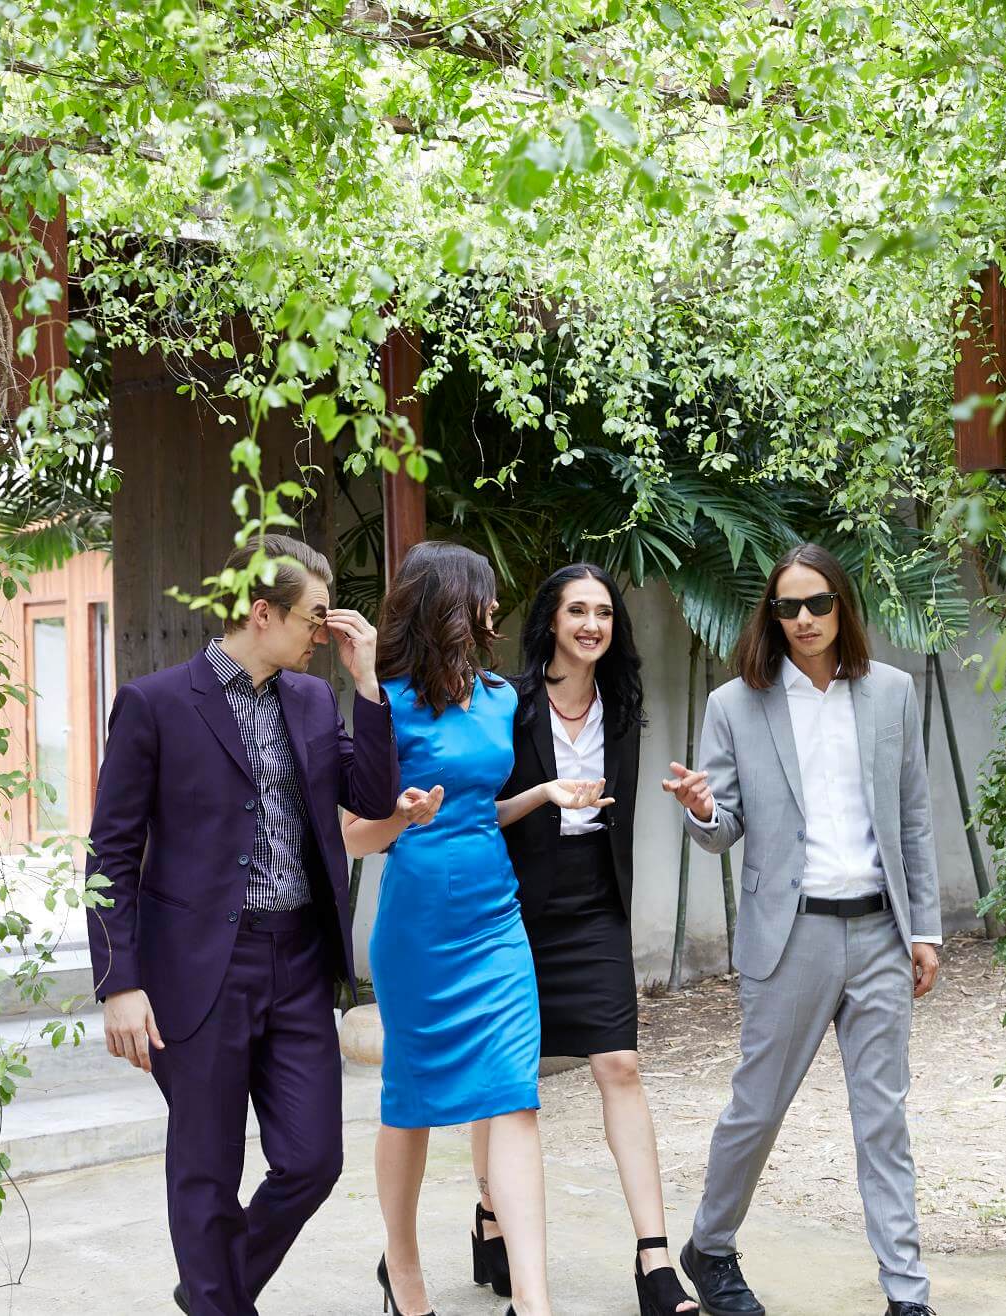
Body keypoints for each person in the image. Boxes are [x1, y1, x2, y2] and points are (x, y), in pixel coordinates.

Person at [86, 534, 399, 1316]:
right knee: (205, 1168)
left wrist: (368, 684)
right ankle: (221, 1301)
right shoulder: (155, 703)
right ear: (263, 614)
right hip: (197, 969)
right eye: (315, 618)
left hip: (297, 959)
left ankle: (209, 1294)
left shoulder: (314, 698)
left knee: (311, 1159)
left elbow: (372, 794)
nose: (324, 633)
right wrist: (119, 981)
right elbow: (109, 854)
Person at [662, 543, 941, 1316]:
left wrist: (925, 931)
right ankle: (709, 1246)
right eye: (788, 607)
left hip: (880, 935)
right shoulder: (735, 704)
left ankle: (906, 1295)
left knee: (881, 1119)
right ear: (771, 616)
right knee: (757, 1109)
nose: (804, 620)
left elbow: (912, 817)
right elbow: (725, 827)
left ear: (841, 606)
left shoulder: (889, 693)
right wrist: (701, 807)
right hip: (789, 939)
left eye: (818, 603)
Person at [342, 541, 604, 1316]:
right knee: (412, 1103)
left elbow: (476, 809)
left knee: (514, 1097)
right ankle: (406, 1274)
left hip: (496, 921)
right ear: (448, 605)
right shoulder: (384, 701)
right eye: (484, 597)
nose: (495, 610)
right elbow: (353, 835)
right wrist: (400, 815)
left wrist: (544, 793)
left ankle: (534, 1301)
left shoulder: (497, 698)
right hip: (418, 930)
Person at [472, 564, 698, 1316]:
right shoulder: (506, 703)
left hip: (596, 901)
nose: (592, 624)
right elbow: (480, 810)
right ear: (552, 621)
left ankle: (655, 1261)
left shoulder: (622, 706)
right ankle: (489, 1213)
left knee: (621, 1065)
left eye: (603, 612)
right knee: (506, 1077)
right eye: (577, 611)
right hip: (513, 904)